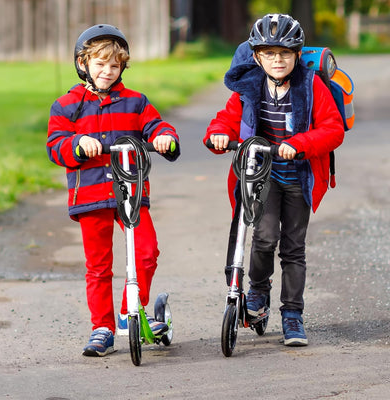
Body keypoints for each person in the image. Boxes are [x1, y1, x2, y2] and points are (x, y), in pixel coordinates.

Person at [203, 14, 344, 346]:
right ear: (256, 56)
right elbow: (226, 119)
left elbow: (333, 129)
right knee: (264, 238)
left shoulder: (312, 85)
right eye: (269, 53)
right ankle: (258, 292)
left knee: (293, 248)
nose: (277, 60)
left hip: (299, 176)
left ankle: (292, 315)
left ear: (297, 55)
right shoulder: (248, 87)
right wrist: (219, 135)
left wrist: (298, 144)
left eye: (284, 53)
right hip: (261, 174)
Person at [47, 24, 180, 357]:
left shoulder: (134, 102)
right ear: (83, 64)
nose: (107, 71)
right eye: (100, 64)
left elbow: (156, 125)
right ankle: (102, 327)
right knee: (99, 265)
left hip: (130, 192)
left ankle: (128, 309)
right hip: (91, 194)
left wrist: (165, 137)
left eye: (114, 66)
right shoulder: (67, 105)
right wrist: (78, 143)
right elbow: (56, 144)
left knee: (146, 251)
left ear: (122, 67)